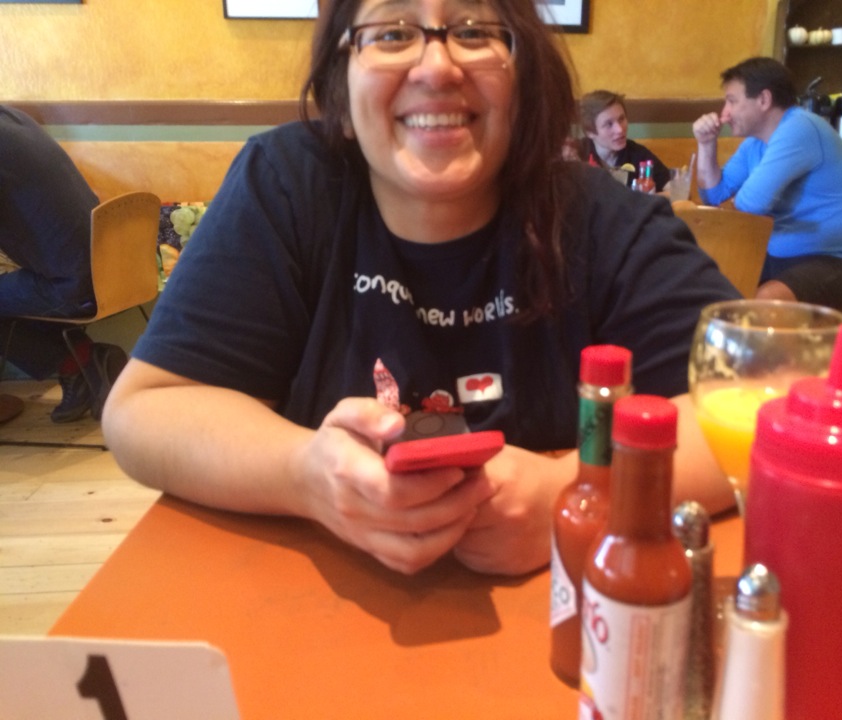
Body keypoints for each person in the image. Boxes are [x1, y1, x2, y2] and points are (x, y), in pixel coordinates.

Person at [102, 0, 738, 578]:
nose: (436, 67)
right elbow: (145, 412)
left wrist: (578, 494)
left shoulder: (602, 219)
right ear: (340, 80)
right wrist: (306, 476)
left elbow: (766, 404)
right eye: (393, 32)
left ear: (524, 77)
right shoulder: (288, 184)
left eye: (473, 31)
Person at [692, 57, 842, 306]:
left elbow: (751, 204)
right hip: (784, 257)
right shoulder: (755, 143)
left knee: (764, 302)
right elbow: (713, 196)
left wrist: (743, 198)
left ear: (763, 100)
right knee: (708, 284)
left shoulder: (799, 128)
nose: (724, 113)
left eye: (732, 101)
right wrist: (706, 144)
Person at [0, 105, 128, 423]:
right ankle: (84, 363)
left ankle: (77, 363)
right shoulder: (13, 118)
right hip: (113, 273)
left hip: (73, 285)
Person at [579, 89, 670, 191]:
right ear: (590, 132)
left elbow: (671, 187)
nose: (620, 129)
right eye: (609, 124)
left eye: (621, 119)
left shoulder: (638, 154)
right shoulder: (576, 155)